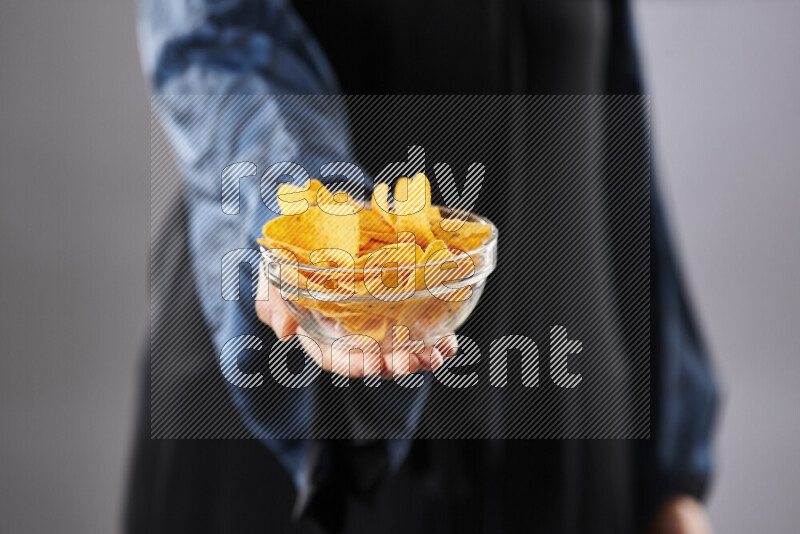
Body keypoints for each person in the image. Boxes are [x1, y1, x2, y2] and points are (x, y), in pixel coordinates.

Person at [128, 1, 718, 533]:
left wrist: (667, 469)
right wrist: (317, 232)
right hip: (296, 390)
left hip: (561, 436)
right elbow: (216, 40)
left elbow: (611, 114)